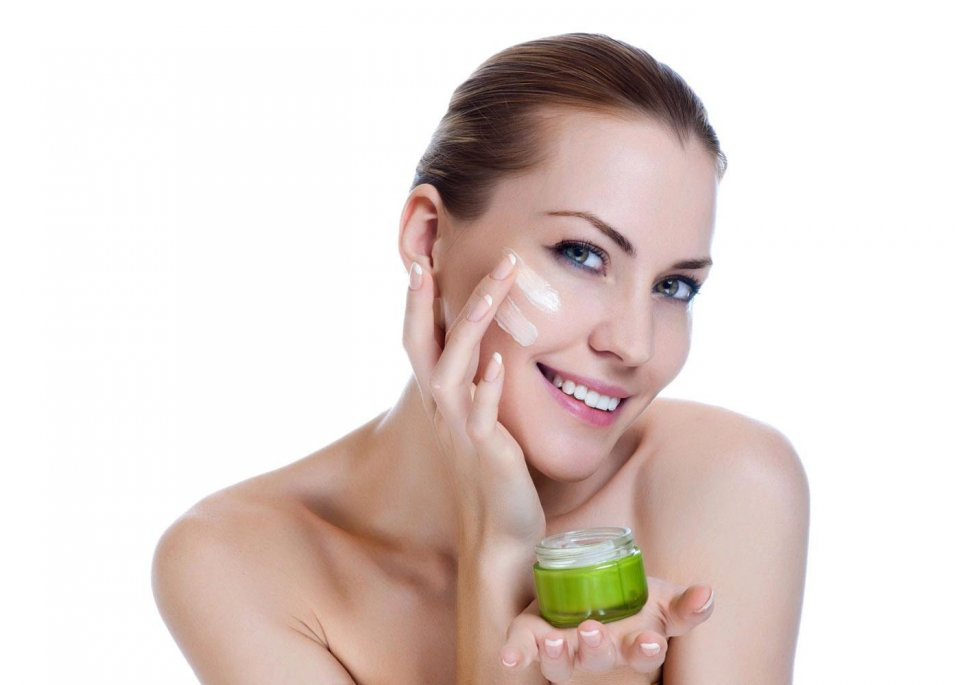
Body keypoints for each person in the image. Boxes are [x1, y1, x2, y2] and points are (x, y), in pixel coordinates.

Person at [151, 32, 809, 684]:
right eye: (583, 254)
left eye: (675, 287)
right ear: (428, 238)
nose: (635, 344)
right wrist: (498, 548)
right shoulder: (237, 562)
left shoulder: (729, 483)